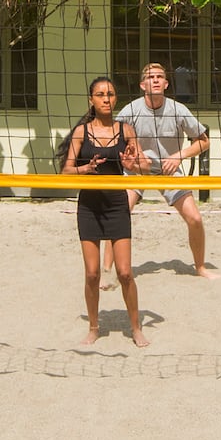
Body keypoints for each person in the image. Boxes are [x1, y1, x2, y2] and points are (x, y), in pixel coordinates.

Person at [62, 76, 149, 347]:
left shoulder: (126, 130)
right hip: (89, 206)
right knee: (92, 273)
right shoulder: (81, 132)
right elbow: (65, 171)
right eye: (100, 94)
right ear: (92, 100)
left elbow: (144, 167)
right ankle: (93, 326)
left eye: (110, 94)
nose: (106, 99)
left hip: (115, 204)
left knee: (124, 272)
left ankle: (136, 328)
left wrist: (133, 163)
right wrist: (85, 169)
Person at [119, 62, 219, 279]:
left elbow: (203, 142)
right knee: (119, 215)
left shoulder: (178, 110)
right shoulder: (130, 111)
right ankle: (110, 270)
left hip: (168, 170)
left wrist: (178, 155)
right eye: (150, 77)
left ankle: (200, 267)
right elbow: (114, 141)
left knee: (195, 219)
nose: (154, 80)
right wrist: (132, 157)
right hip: (137, 170)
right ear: (142, 84)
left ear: (165, 84)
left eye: (159, 77)